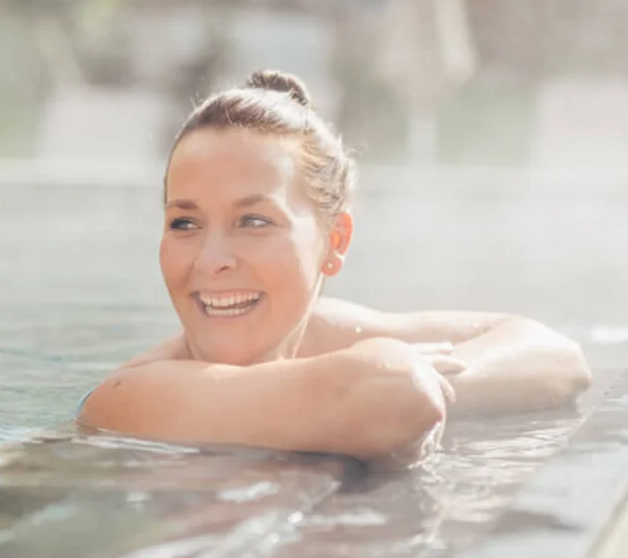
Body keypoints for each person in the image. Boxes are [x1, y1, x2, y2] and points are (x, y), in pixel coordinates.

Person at [77, 70, 592, 463]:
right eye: (184, 224)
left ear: (335, 240)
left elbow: (556, 354)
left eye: (253, 221)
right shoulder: (132, 395)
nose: (212, 260)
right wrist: (388, 375)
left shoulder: (321, 333)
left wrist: (433, 374)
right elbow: (396, 396)